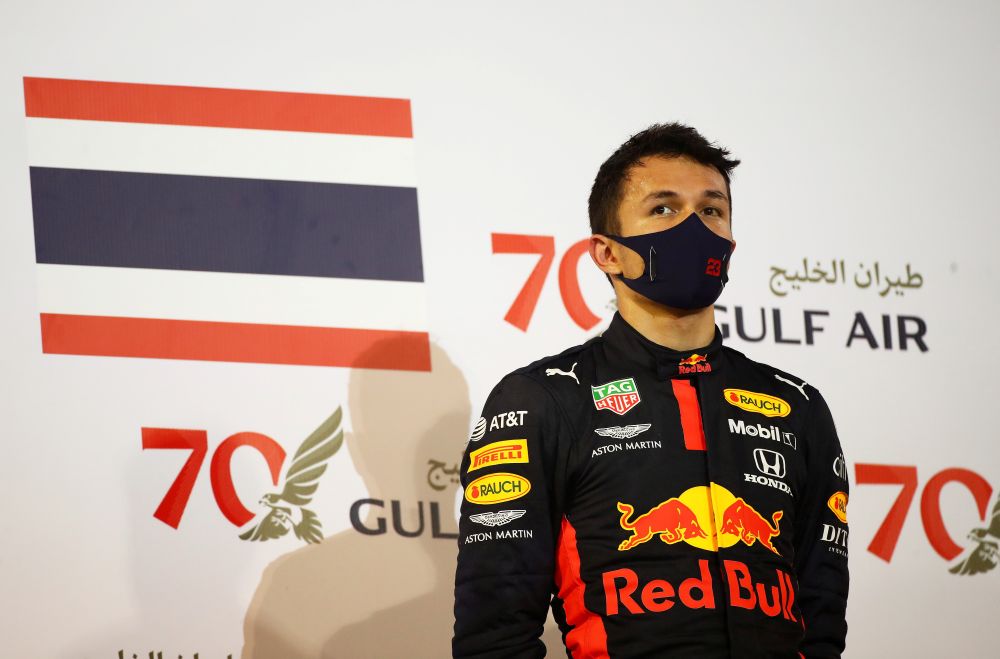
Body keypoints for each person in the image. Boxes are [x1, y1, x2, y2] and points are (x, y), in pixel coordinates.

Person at [452, 123, 849, 658]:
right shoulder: (543, 399)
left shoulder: (798, 406)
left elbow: (820, 624)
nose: (694, 226)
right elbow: (494, 633)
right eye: (663, 209)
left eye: (711, 210)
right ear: (607, 253)